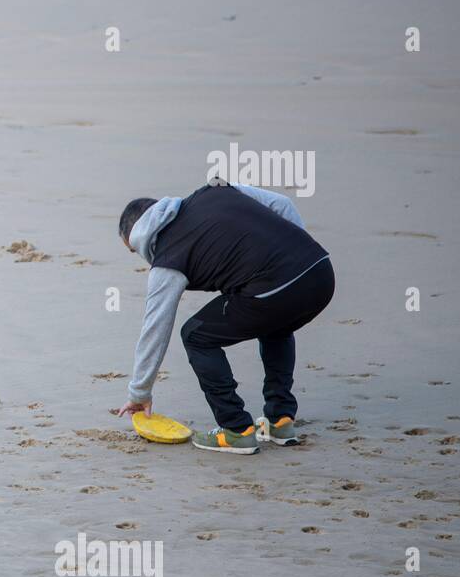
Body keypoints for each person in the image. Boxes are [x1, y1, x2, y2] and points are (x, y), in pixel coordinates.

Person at [111, 180, 335, 454]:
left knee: (195, 335)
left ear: (138, 240)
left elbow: (155, 329)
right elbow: (282, 204)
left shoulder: (168, 260)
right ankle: (280, 420)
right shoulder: (216, 190)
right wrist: (296, 259)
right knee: (275, 321)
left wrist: (139, 394)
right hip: (321, 273)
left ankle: (236, 429)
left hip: (278, 288)